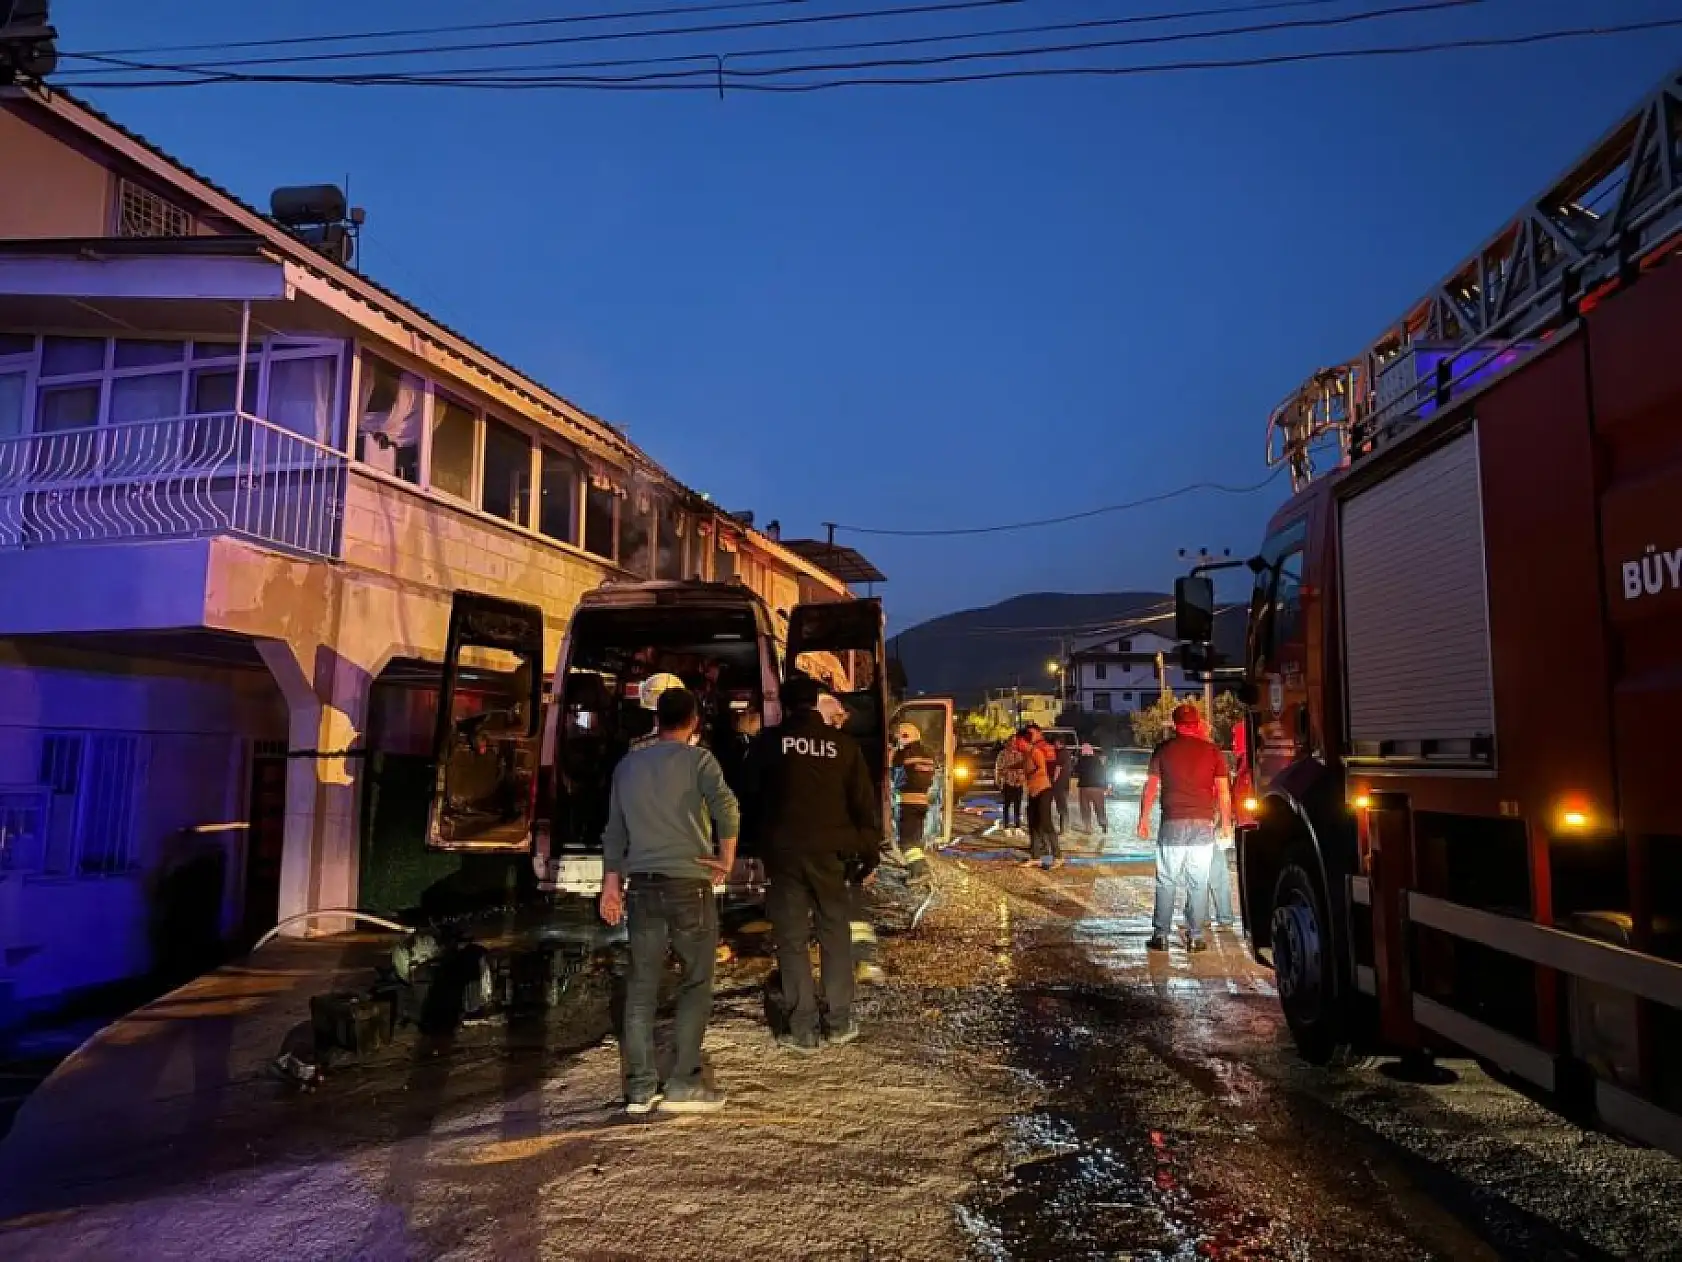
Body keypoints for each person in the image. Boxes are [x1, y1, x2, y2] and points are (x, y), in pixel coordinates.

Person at [599, 686, 739, 1115]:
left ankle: (640, 1090)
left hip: (641, 887)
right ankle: (683, 1083)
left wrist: (610, 886)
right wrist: (725, 860)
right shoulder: (700, 761)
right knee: (695, 982)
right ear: (694, 720)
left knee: (641, 986)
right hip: (689, 885)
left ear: (656, 720)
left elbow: (615, 832)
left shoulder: (627, 767)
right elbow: (727, 809)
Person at [758, 676, 882, 1052]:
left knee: (792, 940)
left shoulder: (769, 743)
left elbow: (749, 793)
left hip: (785, 853)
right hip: (833, 855)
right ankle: (839, 1021)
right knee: (834, 935)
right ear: (815, 702)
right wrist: (869, 853)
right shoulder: (844, 746)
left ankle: (802, 1029)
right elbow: (864, 803)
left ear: (784, 704)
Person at [1136, 703, 1232, 953]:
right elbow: (1223, 791)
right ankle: (1196, 936)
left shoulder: (1163, 750)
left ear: (1175, 724)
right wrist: (1226, 822)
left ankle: (1161, 935)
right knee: (1198, 882)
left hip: (1172, 822)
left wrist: (1143, 819)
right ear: (1197, 723)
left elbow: (1150, 788)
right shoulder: (1213, 752)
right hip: (1203, 824)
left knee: (1167, 880)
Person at [891, 721, 935, 886]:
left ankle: (919, 870)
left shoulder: (904, 754)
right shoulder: (928, 754)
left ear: (905, 737)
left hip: (908, 801)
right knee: (915, 839)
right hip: (922, 801)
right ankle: (916, 869)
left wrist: (893, 752)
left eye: (899, 737)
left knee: (906, 842)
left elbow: (894, 774)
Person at [1019, 724, 1061, 870]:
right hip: (1033, 792)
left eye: (1018, 742)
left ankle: (1058, 856)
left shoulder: (1037, 751)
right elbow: (1023, 766)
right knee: (1033, 824)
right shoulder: (1026, 754)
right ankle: (1036, 856)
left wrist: (1029, 775)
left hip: (1043, 790)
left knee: (1045, 823)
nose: (1017, 745)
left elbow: (1042, 769)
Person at [1075, 743, 1109, 836]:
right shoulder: (1098, 761)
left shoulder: (1081, 761)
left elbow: (1075, 771)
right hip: (1098, 788)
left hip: (1085, 787)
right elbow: (1103, 774)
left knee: (1085, 808)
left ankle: (1088, 827)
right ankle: (1103, 823)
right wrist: (1105, 786)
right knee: (1099, 807)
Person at [995, 737, 1027, 835]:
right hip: (1008, 782)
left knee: (1018, 806)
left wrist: (1022, 778)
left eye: (1015, 742)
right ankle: (1006, 826)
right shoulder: (1003, 753)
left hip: (1018, 783)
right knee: (1007, 805)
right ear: (1008, 742)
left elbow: (1025, 766)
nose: (1014, 744)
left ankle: (1018, 827)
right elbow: (999, 768)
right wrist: (999, 780)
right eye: (1012, 742)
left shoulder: (1021, 753)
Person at [1049, 734, 1074, 836]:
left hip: (1059, 785)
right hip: (1065, 784)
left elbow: (1057, 768)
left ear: (1060, 743)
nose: (1054, 744)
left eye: (1056, 743)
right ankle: (1066, 827)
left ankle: (1063, 829)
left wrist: (1053, 781)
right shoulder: (1067, 753)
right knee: (1063, 806)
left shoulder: (1061, 754)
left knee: (1061, 806)